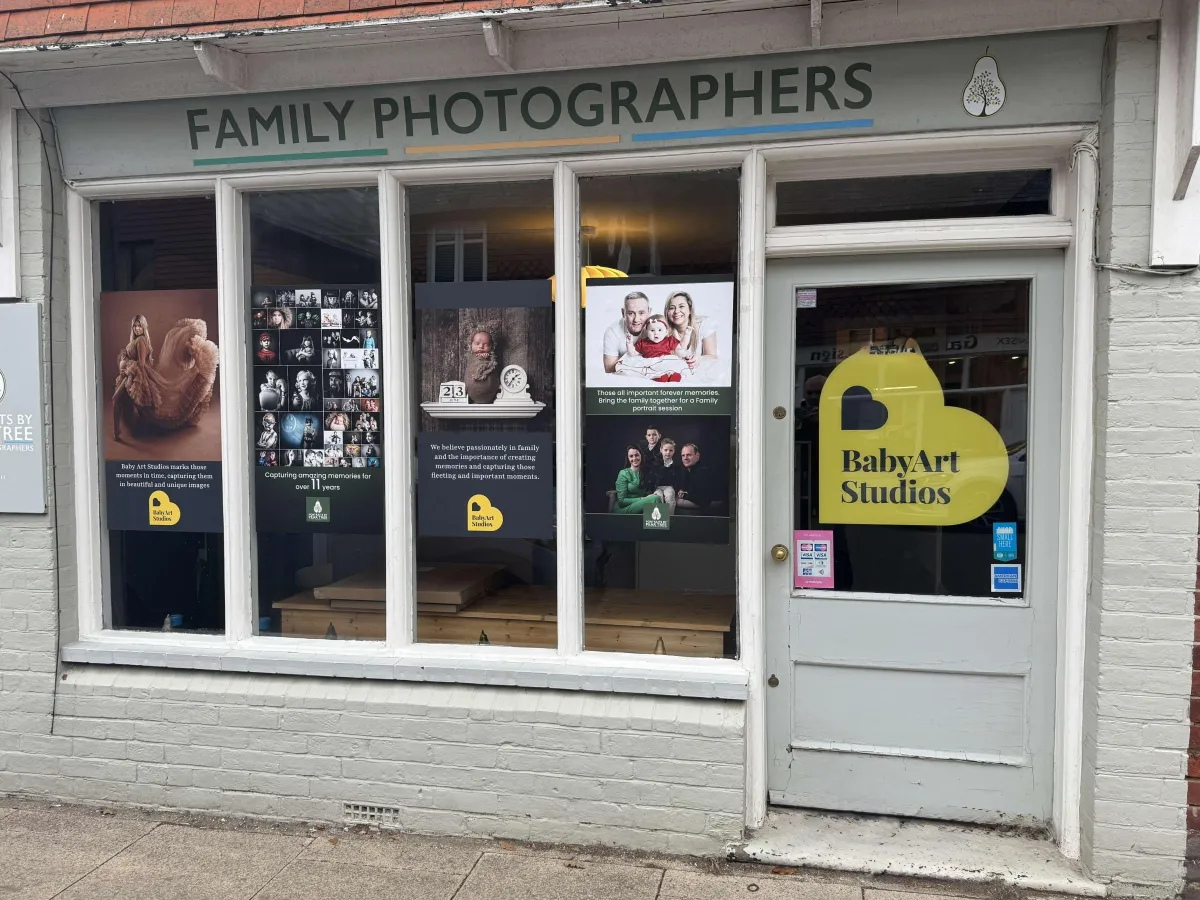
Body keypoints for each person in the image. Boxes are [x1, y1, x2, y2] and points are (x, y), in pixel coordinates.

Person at [113, 313, 219, 442]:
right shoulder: (136, 340)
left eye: (139, 326)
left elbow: (141, 363)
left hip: (135, 373)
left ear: (143, 327)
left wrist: (128, 365)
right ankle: (122, 429)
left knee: (120, 399)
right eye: (135, 326)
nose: (137, 329)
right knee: (130, 400)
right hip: (131, 373)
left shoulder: (141, 341)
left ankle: (117, 432)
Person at [615, 314, 692, 382]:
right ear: (647, 332)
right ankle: (658, 378)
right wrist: (629, 343)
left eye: (660, 330)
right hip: (649, 363)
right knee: (645, 370)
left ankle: (673, 376)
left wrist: (687, 335)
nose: (656, 333)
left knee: (672, 365)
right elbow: (632, 353)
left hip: (665, 361)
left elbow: (682, 346)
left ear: (666, 332)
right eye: (652, 330)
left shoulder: (669, 340)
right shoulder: (642, 342)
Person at [664, 290, 718, 372]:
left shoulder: (704, 324)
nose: (676, 311)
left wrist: (699, 359)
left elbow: (712, 356)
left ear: (690, 310)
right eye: (672, 308)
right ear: (667, 312)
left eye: (681, 306)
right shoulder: (662, 331)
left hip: (702, 372)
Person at [602, 291, 652, 374]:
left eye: (641, 313)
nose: (636, 319)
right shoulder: (612, 332)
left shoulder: (658, 327)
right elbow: (609, 369)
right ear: (623, 313)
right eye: (631, 313)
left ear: (649, 312)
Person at [613, 445, 660, 514]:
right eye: (631, 456)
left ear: (641, 456)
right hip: (624, 508)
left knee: (656, 498)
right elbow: (621, 501)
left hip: (641, 505)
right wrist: (642, 499)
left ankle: (656, 523)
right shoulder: (623, 473)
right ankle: (659, 524)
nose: (634, 458)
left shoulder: (646, 472)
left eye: (637, 455)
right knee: (655, 499)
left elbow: (649, 491)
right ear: (628, 459)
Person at [676, 443, 721, 513]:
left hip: (710, 504)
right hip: (703, 502)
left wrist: (683, 495)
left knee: (673, 502)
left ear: (697, 456)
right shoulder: (688, 470)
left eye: (689, 455)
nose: (685, 458)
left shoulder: (702, 472)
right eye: (683, 455)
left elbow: (702, 499)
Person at [646, 437, 684, 508]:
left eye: (670, 450)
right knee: (658, 497)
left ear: (674, 451)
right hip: (656, 487)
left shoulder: (676, 465)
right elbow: (650, 478)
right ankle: (660, 518)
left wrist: (679, 489)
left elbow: (678, 479)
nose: (668, 452)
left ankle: (670, 518)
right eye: (665, 450)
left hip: (669, 486)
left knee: (670, 496)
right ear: (661, 450)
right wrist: (649, 492)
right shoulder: (655, 463)